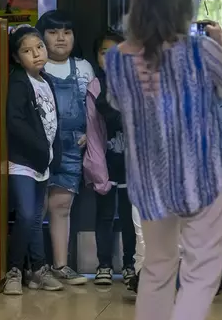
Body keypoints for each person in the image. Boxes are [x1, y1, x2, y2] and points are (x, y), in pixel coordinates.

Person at [105, 0, 222, 320]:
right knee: (202, 271)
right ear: (183, 10)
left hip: (149, 183)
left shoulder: (117, 57)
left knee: (156, 267)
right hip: (201, 178)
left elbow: (117, 102)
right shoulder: (201, 51)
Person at [4, 26, 63, 295]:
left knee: (37, 218)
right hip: (23, 162)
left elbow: (53, 122)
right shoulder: (18, 81)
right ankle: (14, 270)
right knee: (27, 215)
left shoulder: (46, 80)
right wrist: (40, 148)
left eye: (39, 47)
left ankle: (38, 270)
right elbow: (15, 122)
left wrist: (53, 153)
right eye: (27, 51)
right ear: (17, 58)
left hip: (42, 161)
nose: (36, 54)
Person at [35, 10, 91, 285]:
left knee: (62, 205)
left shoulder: (83, 68)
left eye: (66, 32)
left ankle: (61, 265)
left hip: (71, 146)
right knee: (36, 207)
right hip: (39, 145)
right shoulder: (34, 66)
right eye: (54, 32)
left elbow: (93, 109)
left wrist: (90, 134)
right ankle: (32, 267)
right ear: (41, 36)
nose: (60, 38)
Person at [83, 30, 140, 290]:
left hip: (134, 168)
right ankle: (104, 264)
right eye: (105, 54)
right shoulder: (96, 86)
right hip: (106, 163)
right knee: (104, 216)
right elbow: (93, 132)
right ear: (97, 57)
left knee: (131, 218)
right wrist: (97, 171)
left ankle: (131, 264)